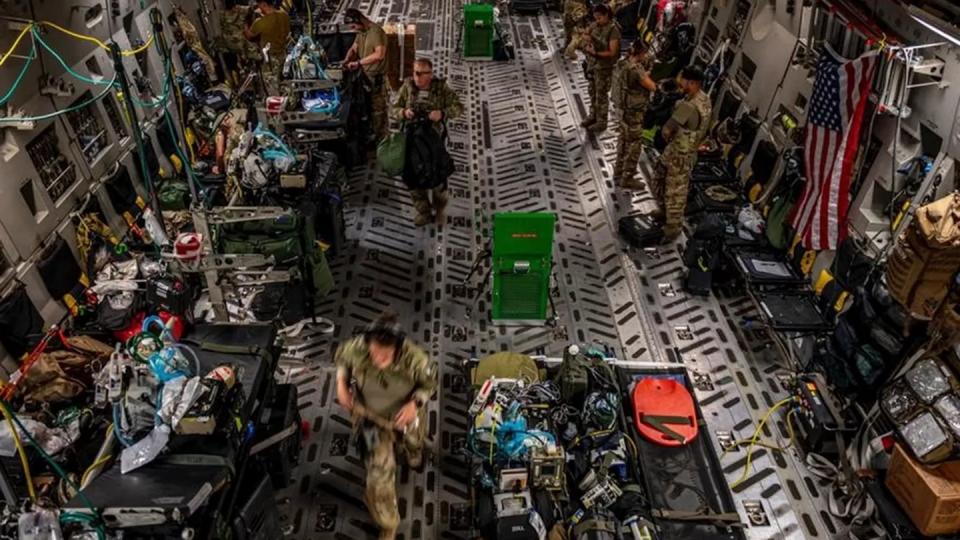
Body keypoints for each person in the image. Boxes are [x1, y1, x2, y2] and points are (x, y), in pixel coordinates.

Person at [335, 310, 438, 540]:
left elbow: (430, 384)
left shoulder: (415, 359)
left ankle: (414, 452)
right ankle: (387, 521)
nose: (378, 360)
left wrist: (415, 403)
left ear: (397, 349)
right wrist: (341, 383)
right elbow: (342, 357)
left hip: (404, 414)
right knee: (378, 473)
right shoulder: (358, 347)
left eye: (385, 355)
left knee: (414, 442)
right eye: (374, 353)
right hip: (370, 417)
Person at [391, 58, 464, 227]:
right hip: (412, 141)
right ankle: (423, 211)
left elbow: (458, 107)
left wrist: (442, 114)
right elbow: (393, 108)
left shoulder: (440, 89)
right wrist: (404, 112)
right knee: (413, 178)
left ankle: (439, 209)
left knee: (437, 177)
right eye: (414, 72)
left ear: (429, 75)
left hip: (433, 143)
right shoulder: (408, 88)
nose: (416, 77)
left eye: (420, 73)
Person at [651, 65, 711, 240]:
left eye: (682, 80)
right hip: (684, 150)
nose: (680, 82)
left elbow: (667, 130)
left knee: (675, 191)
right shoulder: (704, 99)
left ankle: (673, 227)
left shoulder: (689, 106)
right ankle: (665, 211)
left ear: (691, 82)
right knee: (660, 176)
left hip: (680, 154)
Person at [613, 41, 657, 189]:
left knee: (623, 141)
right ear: (641, 54)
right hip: (634, 114)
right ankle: (628, 178)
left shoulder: (622, 63)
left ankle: (618, 172)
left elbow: (630, 81)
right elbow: (652, 86)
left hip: (622, 110)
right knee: (634, 145)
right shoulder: (637, 69)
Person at [343, 9, 389, 143]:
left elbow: (379, 54)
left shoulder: (375, 32)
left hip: (376, 77)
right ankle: (372, 134)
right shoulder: (361, 32)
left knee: (378, 110)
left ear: (360, 21)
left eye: (354, 26)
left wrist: (358, 62)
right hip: (366, 76)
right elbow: (354, 48)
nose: (353, 29)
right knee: (367, 107)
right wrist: (346, 59)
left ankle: (381, 139)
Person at [581, 5, 621, 134]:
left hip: (604, 68)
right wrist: (587, 38)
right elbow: (586, 32)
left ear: (607, 15)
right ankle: (593, 116)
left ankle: (602, 122)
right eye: (595, 18)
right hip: (593, 66)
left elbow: (612, 52)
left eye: (599, 18)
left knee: (601, 96)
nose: (597, 20)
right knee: (592, 92)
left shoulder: (613, 30)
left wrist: (596, 53)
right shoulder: (595, 25)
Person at [244, 0, 291, 95]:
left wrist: (245, 24)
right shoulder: (284, 15)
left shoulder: (260, 22)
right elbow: (287, 32)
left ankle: (275, 103)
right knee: (283, 80)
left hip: (270, 59)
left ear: (264, 4)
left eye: (259, 5)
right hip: (283, 53)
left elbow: (249, 36)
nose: (258, 7)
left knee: (271, 84)